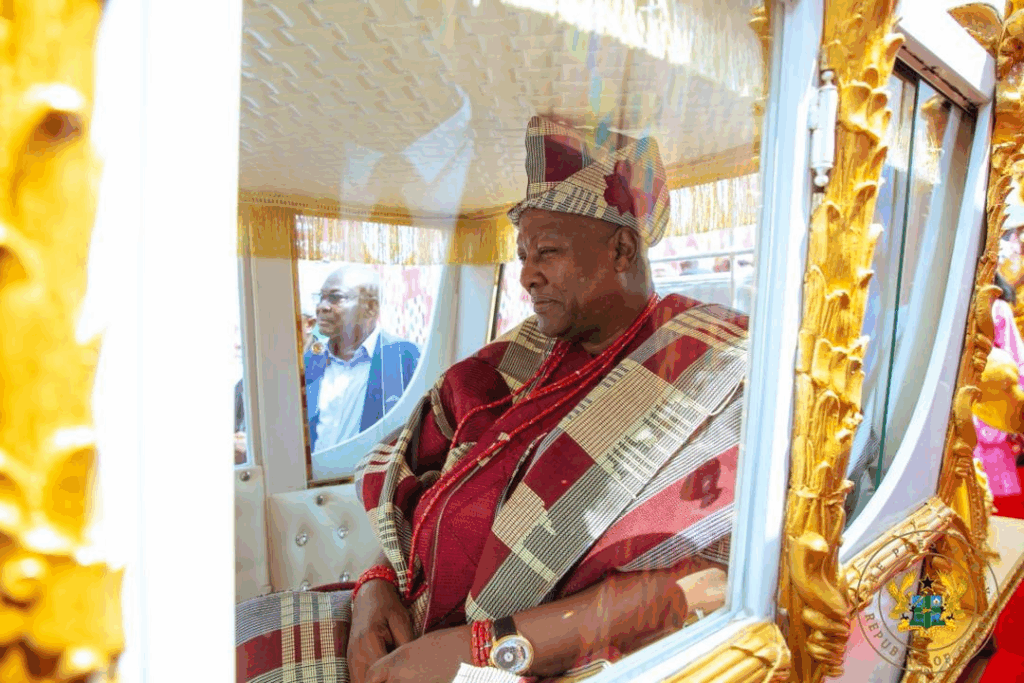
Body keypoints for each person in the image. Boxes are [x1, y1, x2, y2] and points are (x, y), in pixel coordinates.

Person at [237, 117, 746, 683]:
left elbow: (706, 578)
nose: (527, 275)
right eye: (522, 253)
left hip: (553, 661)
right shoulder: (513, 358)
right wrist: (372, 591)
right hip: (412, 620)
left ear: (622, 249)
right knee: (234, 643)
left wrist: (485, 650)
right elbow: (414, 493)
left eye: (546, 252)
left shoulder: (713, 362)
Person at [305, 267, 420, 451]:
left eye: (336, 298)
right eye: (321, 297)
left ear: (371, 308)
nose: (322, 307)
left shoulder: (407, 359)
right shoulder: (309, 361)